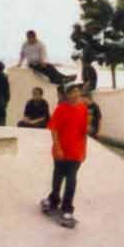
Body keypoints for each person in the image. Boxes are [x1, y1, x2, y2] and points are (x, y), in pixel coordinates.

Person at [43, 85, 90, 228]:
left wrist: (84, 151)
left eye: (77, 92)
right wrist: (57, 147)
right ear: (67, 95)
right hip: (61, 150)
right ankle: (53, 199)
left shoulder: (83, 109)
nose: (76, 95)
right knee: (58, 178)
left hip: (76, 152)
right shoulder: (61, 108)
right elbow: (54, 129)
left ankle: (67, 208)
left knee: (71, 180)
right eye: (72, 92)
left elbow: (84, 132)